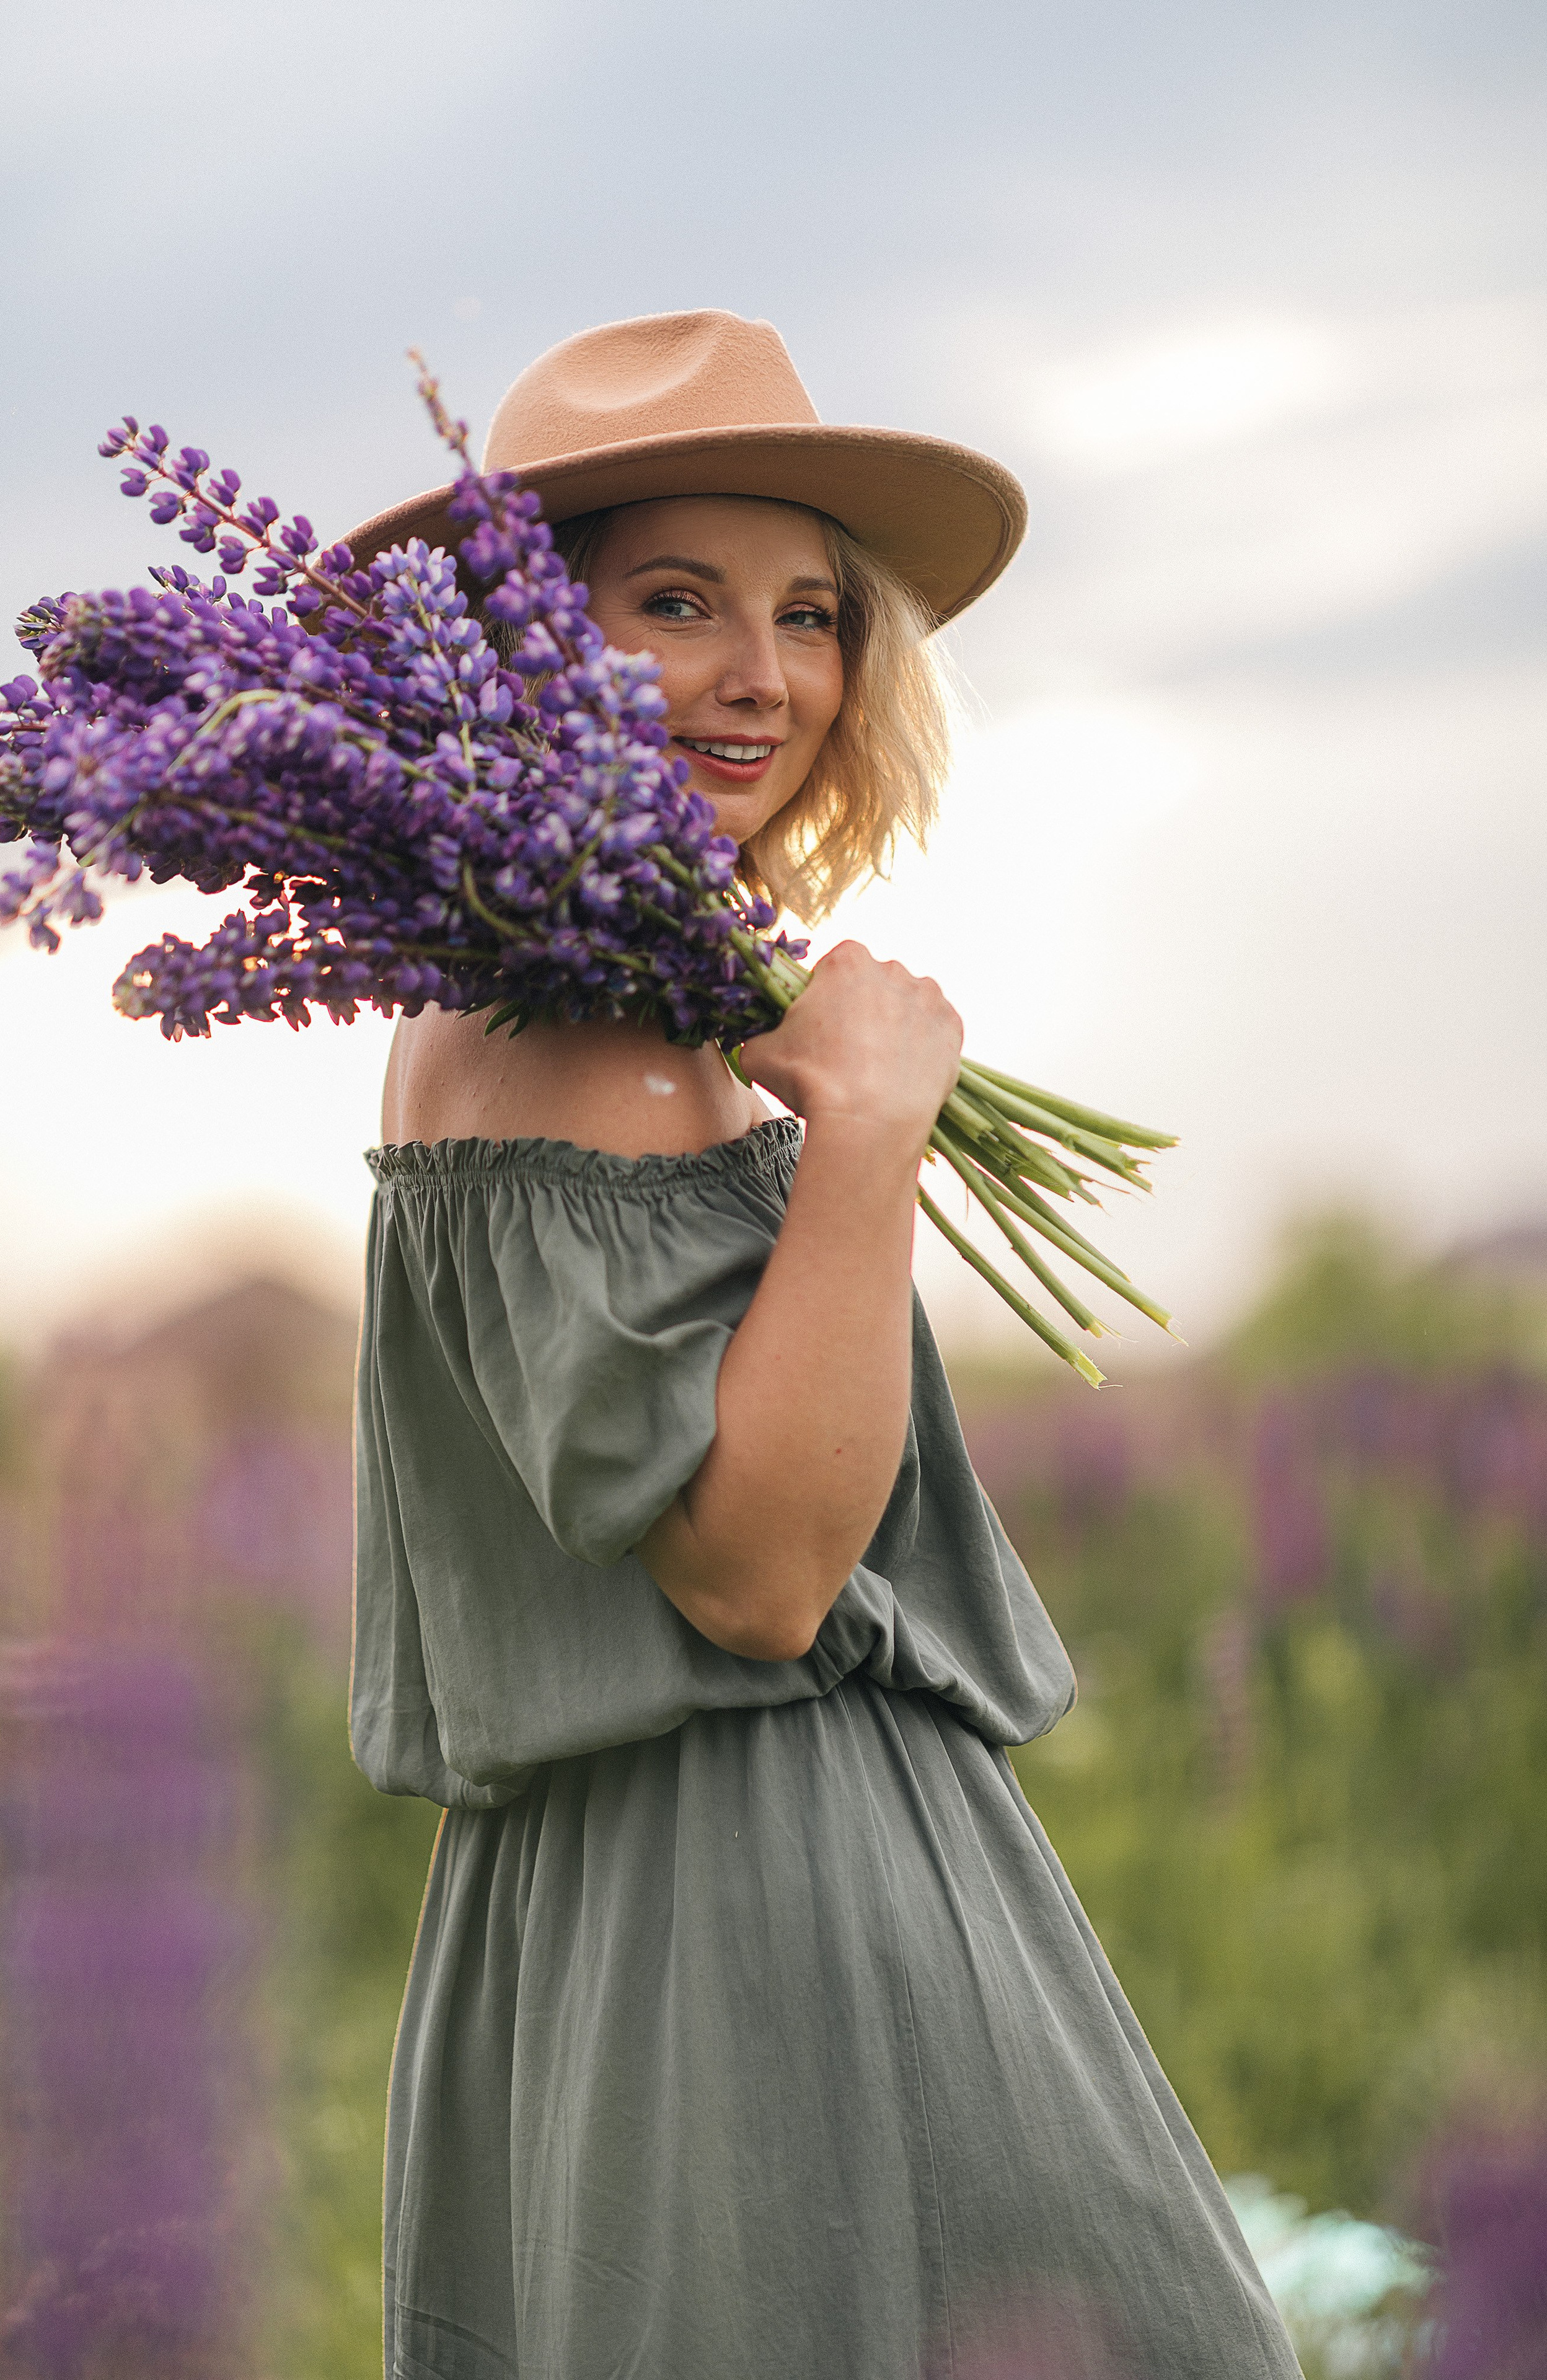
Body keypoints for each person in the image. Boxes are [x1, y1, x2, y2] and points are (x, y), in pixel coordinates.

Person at [348, 311, 1301, 2380]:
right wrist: (868, 1133)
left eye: (809, 614)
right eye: (674, 603)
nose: (762, 675)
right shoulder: (581, 1036)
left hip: (648, 1903)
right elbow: (767, 1576)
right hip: (749, 1905)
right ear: (524, 644)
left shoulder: (615, 1008)